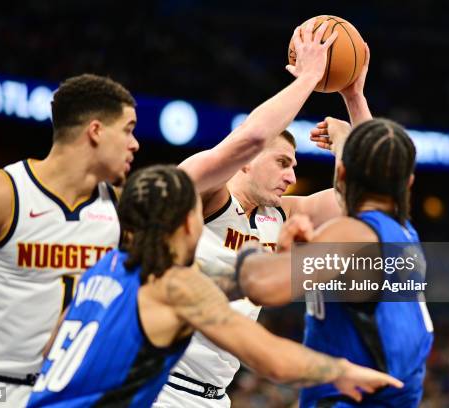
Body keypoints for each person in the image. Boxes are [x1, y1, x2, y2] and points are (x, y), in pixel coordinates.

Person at [26, 164, 403, 408]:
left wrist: (272, 268)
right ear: (189, 224)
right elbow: (270, 358)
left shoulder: (104, 270)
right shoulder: (176, 286)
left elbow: (47, 349)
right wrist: (342, 371)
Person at [154, 21, 372, 407]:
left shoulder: (280, 215)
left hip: (214, 395)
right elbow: (250, 138)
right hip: (161, 384)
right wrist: (308, 77)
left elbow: (370, 196)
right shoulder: (202, 196)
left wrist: (353, 99)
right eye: (282, 162)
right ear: (246, 163)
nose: (291, 176)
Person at [0, 74, 139, 407]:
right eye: (128, 129)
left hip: (76, 394)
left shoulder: (120, 208)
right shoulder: (1, 194)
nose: (135, 144)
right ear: (96, 131)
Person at [237, 118, 434, 407]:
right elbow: (378, 155)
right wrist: (352, 102)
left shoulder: (351, 234)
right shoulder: (404, 232)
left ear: (340, 173)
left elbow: (263, 288)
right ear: (409, 182)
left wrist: (251, 252)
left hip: (351, 397)